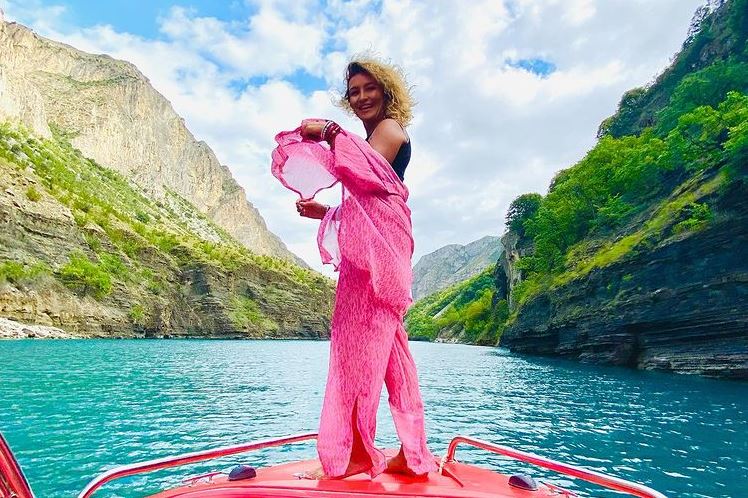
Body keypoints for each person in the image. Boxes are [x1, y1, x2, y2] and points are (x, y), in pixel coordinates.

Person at [272, 56, 437, 480]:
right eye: (354, 92)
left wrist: (329, 132)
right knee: (393, 358)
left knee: (355, 355)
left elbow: (364, 175)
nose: (361, 97)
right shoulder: (369, 138)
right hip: (377, 258)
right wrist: (325, 212)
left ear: (386, 91)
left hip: (378, 264)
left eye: (369, 88)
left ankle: (355, 454)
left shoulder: (389, 129)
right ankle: (413, 453)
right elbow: (370, 204)